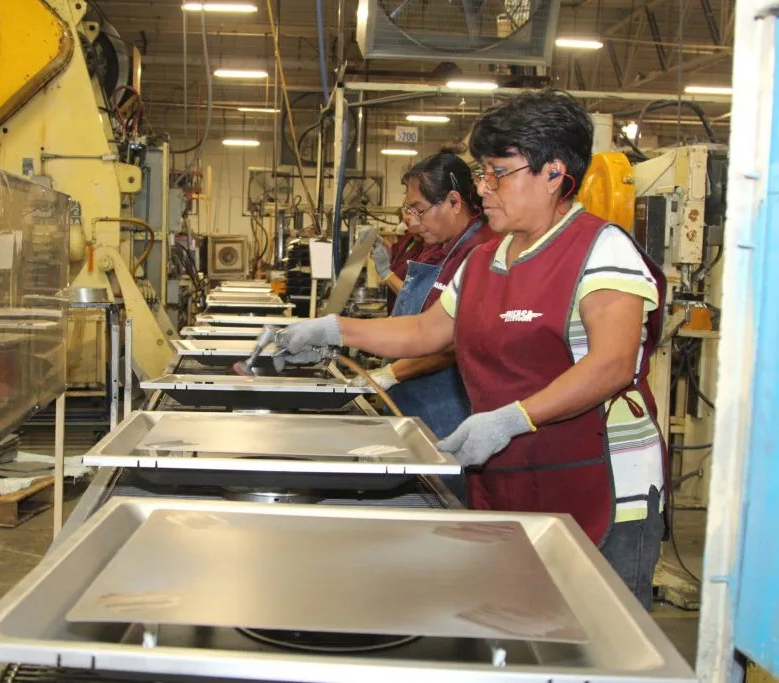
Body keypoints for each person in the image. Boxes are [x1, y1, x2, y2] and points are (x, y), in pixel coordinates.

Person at [274, 90, 667, 609]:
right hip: (509, 478)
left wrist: (511, 419)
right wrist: (331, 329)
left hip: (602, 484)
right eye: (482, 173)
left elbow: (612, 363)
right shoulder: (486, 259)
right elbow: (425, 333)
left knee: (595, 633)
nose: (482, 189)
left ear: (554, 172)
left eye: (497, 173)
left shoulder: (600, 248)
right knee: (514, 624)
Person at [357, 151, 495, 442]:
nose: (414, 220)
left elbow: (451, 343)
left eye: (419, 210)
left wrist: (390, 373)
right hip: (416, 404)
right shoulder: (445, 250)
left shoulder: (479, 253)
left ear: (454, 202)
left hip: (446, 410)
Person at [371, 216, 445, 314]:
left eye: (417, 211)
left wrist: (386, 273)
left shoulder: (434, 249)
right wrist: (382, 242)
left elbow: (417, 297)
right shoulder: (409, 237)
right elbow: (397, 254)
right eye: (407, 210)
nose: (407, 217)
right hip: (397, 312)